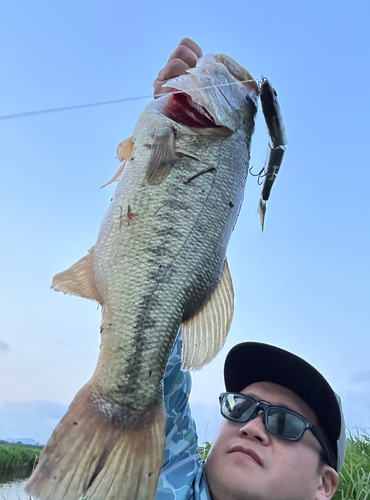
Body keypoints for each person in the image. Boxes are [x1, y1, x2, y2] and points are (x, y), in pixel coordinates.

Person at [154, 39, 346, 500]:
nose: (253, 428)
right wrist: (173, 139)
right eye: (239, 407)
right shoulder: (165, 480)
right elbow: (159, 353)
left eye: (285, 423)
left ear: (325, 484)